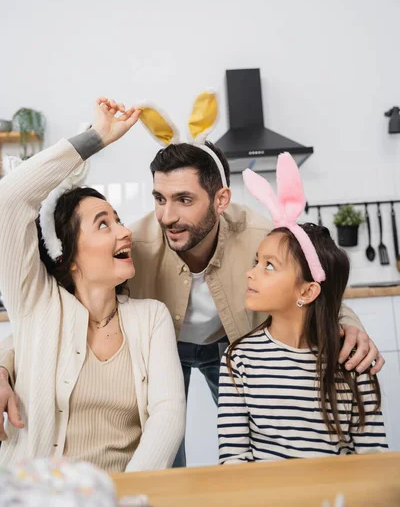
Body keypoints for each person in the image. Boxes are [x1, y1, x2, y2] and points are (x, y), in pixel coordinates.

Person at [0, 94, 384, 468]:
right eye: (159, 199)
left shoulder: (259, 236)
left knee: (254, 438)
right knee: (169, 456)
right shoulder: (137, 247)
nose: (167, 216)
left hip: (227, 345)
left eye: (184, 200)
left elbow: (310, 280)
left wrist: (349, 324)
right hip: (166, 346)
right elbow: (51, 319)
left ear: (221, 200)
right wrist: (4, 365)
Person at [0, 98, 185, 472]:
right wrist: (96, 138)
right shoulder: (35, 303)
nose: (125, 231)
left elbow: (167, 418)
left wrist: (122, 494)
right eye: (104, 224)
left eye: (118, 219)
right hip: (34, 495)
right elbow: (10, 198)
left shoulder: (151, 318)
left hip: (123, 495)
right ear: (65, 254)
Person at [218, 158, 387, 463]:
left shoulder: (351, 363)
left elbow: (372, 460)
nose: (251, 273)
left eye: (269, 265)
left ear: (307, 291)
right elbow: (233, 460)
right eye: (256, 261)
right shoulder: (238, 359)